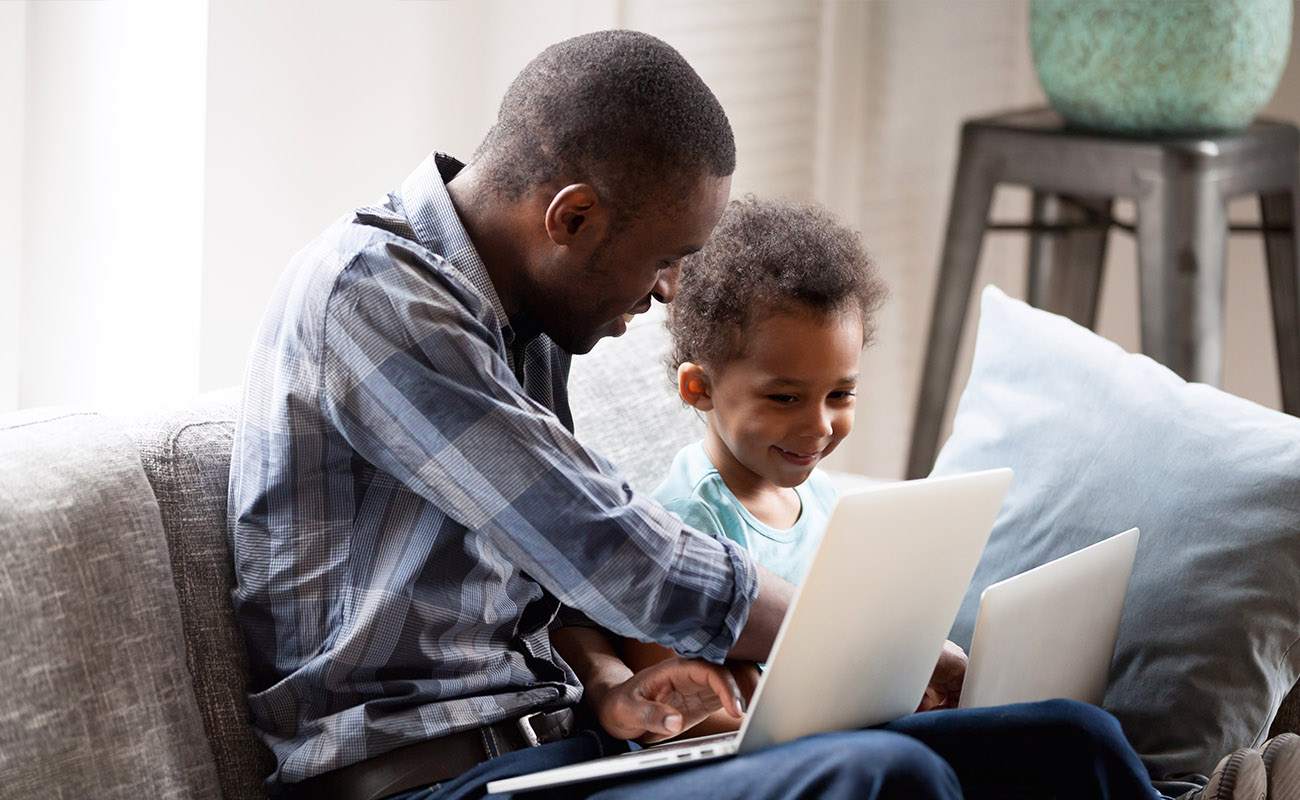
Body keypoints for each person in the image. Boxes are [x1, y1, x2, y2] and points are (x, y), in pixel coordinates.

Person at [223, 27, 1275, 800]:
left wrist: (621, 682)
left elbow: (543, 580)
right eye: (664, 261)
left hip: (551, 751)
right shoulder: (374, 300)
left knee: (1065, 738)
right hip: (421, 788)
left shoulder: (515, 311)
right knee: (884, 774)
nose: (670, 295)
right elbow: (595, 535)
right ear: (571, 217)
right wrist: (880, 641)